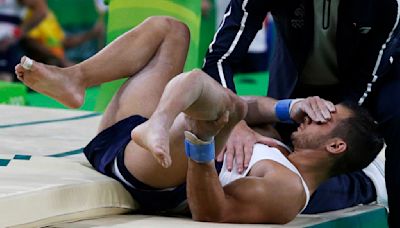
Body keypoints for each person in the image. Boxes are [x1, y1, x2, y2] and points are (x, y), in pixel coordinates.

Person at [15, 16, 384, 224]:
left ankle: (160, 123)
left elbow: (213, 212)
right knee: (170, 31)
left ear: (336, 145)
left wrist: (204, 145)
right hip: (122, 142)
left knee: (226, 105)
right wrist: (291, 106)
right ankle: (76, 80)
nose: (315, 116)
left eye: (326, 117)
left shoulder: (288, 191)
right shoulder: (281, 150)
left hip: (153, 176)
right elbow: (250, 106)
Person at [202, 0, 399, 226]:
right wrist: (234, 125)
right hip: (297, 76)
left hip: (371, 82)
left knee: (299, 189)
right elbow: (220, 57)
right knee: (283, 171)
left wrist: (335, 130)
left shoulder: (387, 5)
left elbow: (364, 84)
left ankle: (372, 181)